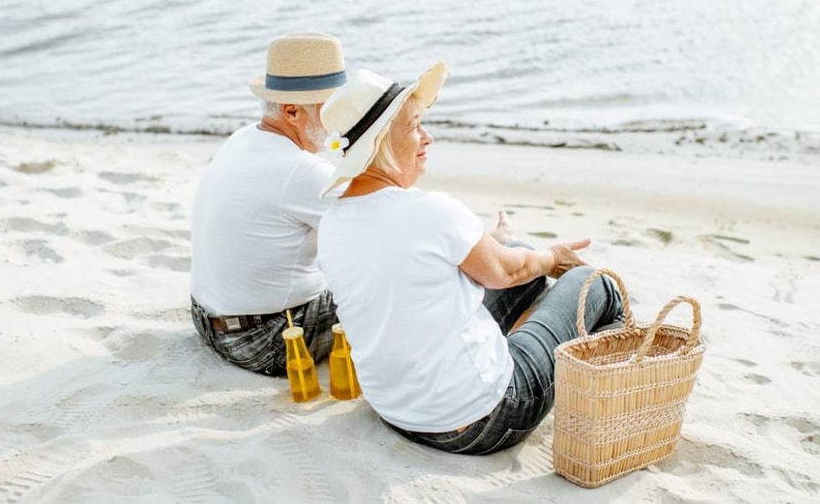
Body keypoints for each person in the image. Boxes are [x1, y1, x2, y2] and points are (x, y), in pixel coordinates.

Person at [316, 63, 626, 455]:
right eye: (413, 127)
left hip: (396, 411)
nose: (427, 137)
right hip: (483, 418)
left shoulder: (332, 224)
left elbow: (420, 273)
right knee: (596, 283)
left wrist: (499, 248)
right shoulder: (430, 212)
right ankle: (616, 393)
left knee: (514, 253)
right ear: (379, 145)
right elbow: (509, 271)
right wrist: (553, 257)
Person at [190, 32, 347, 376]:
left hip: (207, 322)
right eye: (334, 107)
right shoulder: (302, 171)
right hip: (268, 341)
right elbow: (385, 230)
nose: (343, 119)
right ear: (292, 111)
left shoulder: (243, 138)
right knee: (391, 285)